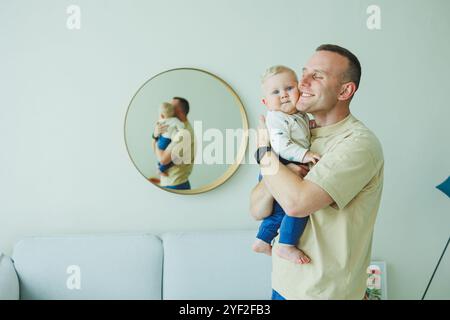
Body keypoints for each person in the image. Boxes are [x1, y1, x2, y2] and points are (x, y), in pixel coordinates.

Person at [250, 44, 384, 300]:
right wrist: (279, 166)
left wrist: (262, 152)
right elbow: (257, 209)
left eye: (318, 76)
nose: (304, 82)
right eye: (304, 73)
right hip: (284, 284)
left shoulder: (357, 143)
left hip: (324, 293)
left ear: (345, 90)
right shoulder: (298, 134)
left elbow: (297, 203)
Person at [252, 65, 321, 265]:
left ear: (300, 90)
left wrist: (311, 127)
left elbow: (301, 132)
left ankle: (262, 240)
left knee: (279, 211)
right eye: (276, 92)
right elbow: (282, 145)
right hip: (281, 163)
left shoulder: (300, 115)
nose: (283, 95)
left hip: (281, 164)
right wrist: (305, 154)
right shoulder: (276, 118)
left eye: (289, 88)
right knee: (297, 207)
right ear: (266, 102)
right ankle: (286, 244)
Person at [152, 97, 195, 190]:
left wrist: (156, 142)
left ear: (178, 111)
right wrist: (155, 135)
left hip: (175, 185)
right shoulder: (172, 127)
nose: (168, 108)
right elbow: (155, 152)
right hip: (169, 182)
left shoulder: (183, 132)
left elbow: (163, 159)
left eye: (171, 106)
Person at [154, 102, 185, 174]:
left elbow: (156, 132)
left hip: (160, 140)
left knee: (162, 156)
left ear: (161, 115)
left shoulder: (160, 121)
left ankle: (159, 165)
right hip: (167, 141)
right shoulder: (174, 120)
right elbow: (182, 127)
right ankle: (161, 168)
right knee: (172, 158)